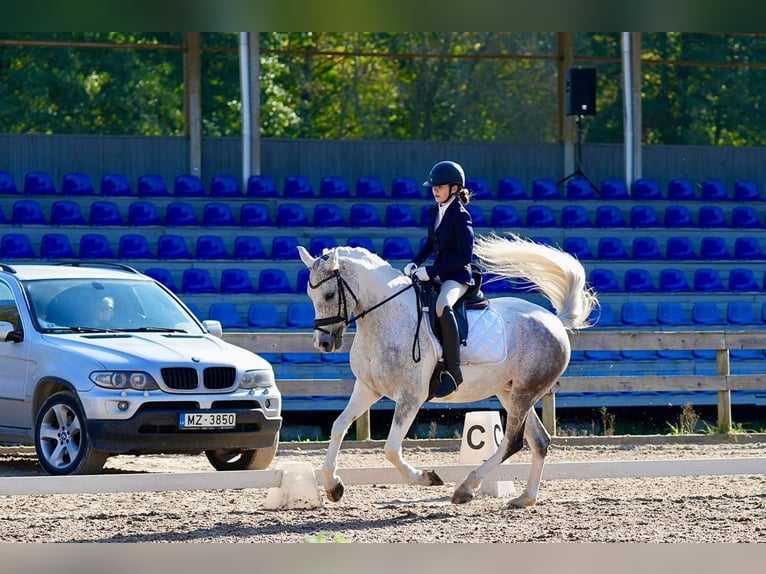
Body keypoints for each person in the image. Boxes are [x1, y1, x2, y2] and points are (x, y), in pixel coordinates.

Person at [403, 160, 474, 397]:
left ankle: (454, 370)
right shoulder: (435, 210)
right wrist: (416, 262)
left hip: (457, 276)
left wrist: (432, 272)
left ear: (454, 189)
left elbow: (464, 256)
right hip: (440, 273)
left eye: (440, 187)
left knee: (443, 305)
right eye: (433, 187)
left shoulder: (460, 216)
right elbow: (431, 243)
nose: (434, 190)